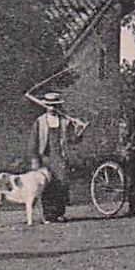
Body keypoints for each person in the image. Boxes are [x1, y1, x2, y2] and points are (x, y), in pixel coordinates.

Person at [27, 89, 87, 223]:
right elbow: (34, 141)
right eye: (50, 105)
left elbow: (73, 140)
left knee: (62, 185)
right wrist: (34, 159)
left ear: (59, 106)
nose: (52, 108)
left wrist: (79, 131)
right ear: (45, 106)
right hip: (45, 157)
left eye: (55, 105)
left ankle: (59, 213)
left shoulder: (66, 122)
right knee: (46, 186)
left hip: (60, 157)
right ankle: (48, 215)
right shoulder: (40, 121)